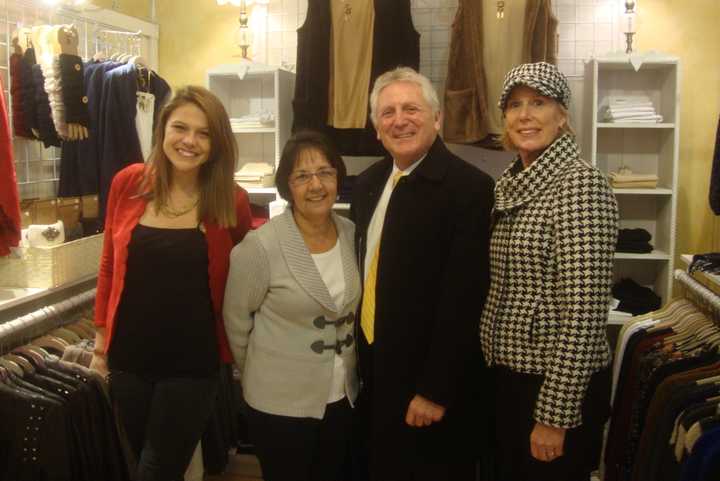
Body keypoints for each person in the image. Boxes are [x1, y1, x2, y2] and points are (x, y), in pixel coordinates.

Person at [90, 85, 252, 481]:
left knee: (158, 467)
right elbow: (110, 263)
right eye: (181, 127)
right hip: (129, 357)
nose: (190, 141)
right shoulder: (128, 184)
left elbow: (242, 274)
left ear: (217, 143)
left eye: (204, 133)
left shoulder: (232, 201)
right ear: (162, 129)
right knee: (142, 455)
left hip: (193, 363)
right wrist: (100, 342)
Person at [350, 67, 495, 481]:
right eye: (388, 112)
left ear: (437, 119)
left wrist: (435, 389)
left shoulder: (470, 189)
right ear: (377, 128)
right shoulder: (368, 184)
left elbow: (465, 298)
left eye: (411, 108)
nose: (400, 120)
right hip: (375, 374)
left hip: (430, 389)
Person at [479, 62, 619, 481]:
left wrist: (554, 416)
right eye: (515, 104)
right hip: (509, 377)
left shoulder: (580, 185)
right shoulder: (511, 182)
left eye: (539, 103)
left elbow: (585, 314)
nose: (525, 115)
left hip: (552, 386)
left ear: (561, 115)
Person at [223, 130, 361, 481]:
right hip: (278, 403)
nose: (316, 185)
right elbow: (236, 320)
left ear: (338, 178)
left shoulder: (349, 233)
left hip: (343, 398)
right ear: (288, 186)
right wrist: (264, 371)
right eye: (302, 176)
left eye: (325, 172)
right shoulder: (260, 247)